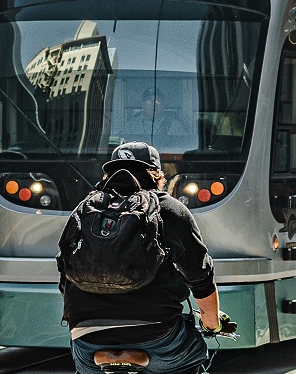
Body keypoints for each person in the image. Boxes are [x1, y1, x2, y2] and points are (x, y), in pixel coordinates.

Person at [64, 142, 221, 374]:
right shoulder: (169, 209)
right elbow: (200, 277)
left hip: (88, 337)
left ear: (107, 175)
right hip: (157, 335)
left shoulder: (85, 208)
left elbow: (65, 273)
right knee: (191, 356)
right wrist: (212, 324)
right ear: (158, 176)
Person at [121, 87, 185, 139]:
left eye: (157, 100)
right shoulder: (131, 125)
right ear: (143, 105)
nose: (153, 104)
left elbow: (183, 146)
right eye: (149, 100)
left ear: (163, 105)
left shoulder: (175, 126)